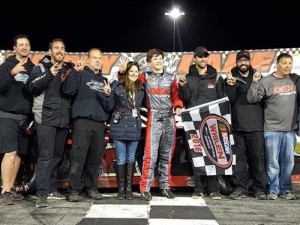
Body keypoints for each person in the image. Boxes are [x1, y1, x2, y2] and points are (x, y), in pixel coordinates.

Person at [119, 49, 183, 201]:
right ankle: (144, 188)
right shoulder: (144, 76)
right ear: (149, 62)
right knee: (151, 155)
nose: (159, 60)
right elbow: (129, 80)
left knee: (167, 155)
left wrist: (178, 106)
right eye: (155, 58)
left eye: (160, 58)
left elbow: (176, 96)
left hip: (169, 117)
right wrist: (121, 73)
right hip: (153, 117)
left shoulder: (171, 77)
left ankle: (165, 187)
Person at [27, 38, 81, 208]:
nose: (59, 51)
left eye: (62, 48)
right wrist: (50, 73)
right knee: (45, 156)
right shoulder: (41, 67)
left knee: (57, 156)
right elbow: (32, 88)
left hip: (63, 119)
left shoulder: (68, 69)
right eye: (56, 48)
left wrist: (75, 73)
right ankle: (42, 193)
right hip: (45, 118)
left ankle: (51, 188)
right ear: (50, 51)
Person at [247, 53, 298, 200]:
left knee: (288, 163)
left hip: (290, 130)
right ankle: (273, 190)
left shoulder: (295, 79)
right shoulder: (267, 81)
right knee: (273, 163)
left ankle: (286, 190)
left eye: (290, 63)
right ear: (277, 64)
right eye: (285, 63)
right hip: (271, 130)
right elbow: (252, 98)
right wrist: (255, 82)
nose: (288, 66)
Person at [63, 48, 111, 202]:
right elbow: (68, 90)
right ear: (88, 60)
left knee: (95, 158)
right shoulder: (81, 74)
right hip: (82, 122)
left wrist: (108, 95)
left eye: (100, 58)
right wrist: (74, 72)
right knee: (78, 156)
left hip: (99, 124)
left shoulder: (105, 80)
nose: (98, 60)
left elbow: (109, 107)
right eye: (94, 58)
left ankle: (91, 187)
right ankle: (74, 189)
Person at [178, 46, 225, 200]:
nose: (203, 59)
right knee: (196, 154)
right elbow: (184, 100)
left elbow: (221, 99)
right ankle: (198, 189)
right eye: (200, 57)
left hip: (211, 121)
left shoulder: (215, 76)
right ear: (195, 58)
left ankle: (214, 189)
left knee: (213, 154)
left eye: (205, 56)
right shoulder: (188, 77)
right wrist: (183, 85)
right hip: (192, 121)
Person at [226, 50, 267, 200]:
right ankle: (240, 188)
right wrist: (230, 86)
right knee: (239, 161)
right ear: (236, 62)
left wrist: (257, 82)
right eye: (240, 60)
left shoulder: (259, 78)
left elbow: (264, 101)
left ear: (250, 62)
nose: (243, 63)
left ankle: (260, 189)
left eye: (246, 60)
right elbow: (228, 100)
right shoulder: (230, 78)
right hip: (237, 127)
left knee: (258, 160)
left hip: (256, 126)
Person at [0, 34, 35, 205]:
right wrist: (12, 72)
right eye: (20, 44)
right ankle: (5, 190)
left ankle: (11, 187)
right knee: (10, 152)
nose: (24, 47)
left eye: (26, 44)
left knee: (19, 154)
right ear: (14, 48)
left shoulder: (33, 68)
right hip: (6, 115)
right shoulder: (6, 65)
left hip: (24, 119)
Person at [103, 61, 144, 200]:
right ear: (126, 73)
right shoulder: (117, 86)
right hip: (119, 124)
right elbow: (108, 107)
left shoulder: (141, 89)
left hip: (134, 126)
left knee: (131, 158)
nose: (133, 74)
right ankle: (121, 189)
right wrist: (108, 95)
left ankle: (129, 189)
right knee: (120, 158)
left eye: (136, 72)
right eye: (131, 71)